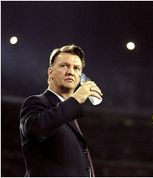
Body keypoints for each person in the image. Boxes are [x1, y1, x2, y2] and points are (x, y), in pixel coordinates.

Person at [19, 44, 103, 176]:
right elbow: (36, 129)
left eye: (76, 68)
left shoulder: (69, 113)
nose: (70, 71)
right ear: (50, 72)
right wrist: (75, 100)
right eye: (64, 65)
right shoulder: (36, 102)